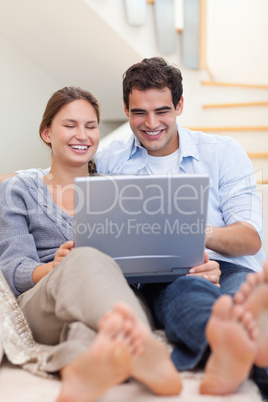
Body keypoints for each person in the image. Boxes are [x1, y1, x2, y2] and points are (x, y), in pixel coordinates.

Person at [0, 86, 182, 402]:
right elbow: (12, 269)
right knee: (83, 257)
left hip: (108, 299)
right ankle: (145, 350)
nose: (82, 135)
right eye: (69, 125)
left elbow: (144, 262)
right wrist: (52, 268)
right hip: (41, 301)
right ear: (47, 132)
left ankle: (81, 372)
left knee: (88, 330)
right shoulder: (19, 188)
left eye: (90, 125)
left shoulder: (117, 192)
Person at [200, 258, 268, 395]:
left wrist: (200, 237)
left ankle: (229, 358)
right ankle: (229, 356)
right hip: (171, 274)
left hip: (232, 266)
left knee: (239, 302)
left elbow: (251, 240)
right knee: (193, 297)